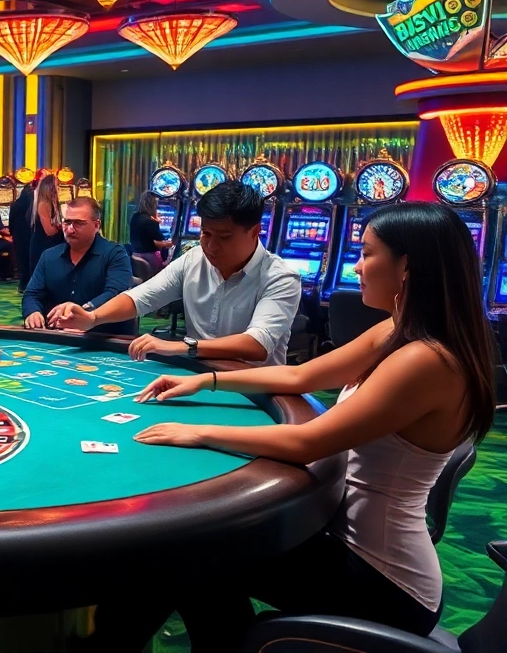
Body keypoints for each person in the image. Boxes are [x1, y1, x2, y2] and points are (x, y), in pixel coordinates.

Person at [82, 202, 498, 653]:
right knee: (195, 555)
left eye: (367, 253)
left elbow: (308, 440)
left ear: (407, 268)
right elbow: (302, 375)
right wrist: (206, 378)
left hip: (384, 580)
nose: (355, 266)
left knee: (186, 554)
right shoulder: (399, 329)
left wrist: (197, 431)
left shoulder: (425, 359)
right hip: (343, 535)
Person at [52, 181, 301, 365]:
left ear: (255, 232)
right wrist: (93, 317)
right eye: (206, 234)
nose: (211, 246)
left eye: (224, 237)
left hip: (253, 387)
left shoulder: (280, 277)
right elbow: (140, 297)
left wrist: (182, 346)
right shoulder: (194, 259)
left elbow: (257, 345)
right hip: (196, 376)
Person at [23, 197, 134, 335]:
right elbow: (32, 294)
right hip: (58, 338)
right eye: (67, 222)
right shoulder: (49, 256)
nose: (70, 229)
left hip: (102, 337)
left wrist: (80, 312)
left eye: (79, 223)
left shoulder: (115, 254)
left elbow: (115, 294)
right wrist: (33, 311)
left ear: (96, 225)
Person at [28, 173, 65, 275]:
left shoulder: (51, 203)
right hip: (42, 246)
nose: (59, 189)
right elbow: (49, 231)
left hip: (49, 245)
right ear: (50, 187)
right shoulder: (43, 204)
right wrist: (61, 227)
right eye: (57, 185)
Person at [130, 191, 173, 273]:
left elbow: (145, 240)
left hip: (135, 256)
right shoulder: (149, 221)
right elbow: (161, 238)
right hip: (148, 258)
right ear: (153, 205)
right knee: (169, 266)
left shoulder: (135, 217)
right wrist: (157, 222)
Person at [10, 176, 35, 292]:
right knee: (29, 259)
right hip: (29, 234)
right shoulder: (33, 204)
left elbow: (11, 221)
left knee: (22, 260)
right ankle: (30, 284)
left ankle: (22, 284)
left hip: (18, 235)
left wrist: (11, 233)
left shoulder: (16, 204)